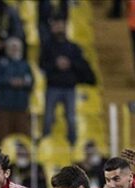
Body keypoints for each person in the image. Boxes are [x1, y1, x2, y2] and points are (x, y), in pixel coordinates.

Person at [39, 16, 95, 145]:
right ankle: (45, 144)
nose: (58, 28)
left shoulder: (73, 47)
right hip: (53, 86)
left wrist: (70, 63)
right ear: (52, 28)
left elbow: (82, 65)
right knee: (48, 118)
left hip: (70, 87)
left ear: (65, 26)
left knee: (71, 118)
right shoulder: (47, 46)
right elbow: (42, 65)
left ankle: (72, 145)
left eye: (61, 25)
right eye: (56, 25)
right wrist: (55, 64)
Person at [0, 37, 33, 142]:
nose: (14, 50)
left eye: (16, 48)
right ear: (7, 49)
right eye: (12, 47)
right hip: (4, 105)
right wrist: (10, 82)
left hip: (21, 106)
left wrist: (22, 82)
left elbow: (31, 81)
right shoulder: (1, 63)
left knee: (22, 136)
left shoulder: (25, 65)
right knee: (2, 136)